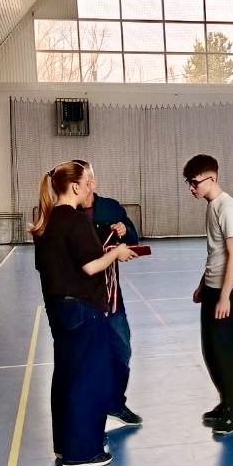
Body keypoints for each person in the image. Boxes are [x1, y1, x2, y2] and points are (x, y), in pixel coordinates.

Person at [30, 160, 136, 466]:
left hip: (58, 308)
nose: (92, 186)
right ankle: (82, 452)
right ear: (75, 186)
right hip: (82, 309)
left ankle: (65, 445)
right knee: (89, 380)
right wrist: (115, 253)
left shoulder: (45, 221)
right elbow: (91, 266)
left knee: (66, 375)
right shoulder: (75, 221)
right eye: (88, 182)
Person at [184, 154, 233, 437]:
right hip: (213, 288)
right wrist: (203, 284)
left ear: (212, 179)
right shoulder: (212, 206)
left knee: (228, 352)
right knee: (212, 351)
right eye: (189, 183)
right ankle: (226, 403)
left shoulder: (228, 207)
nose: (192, 188)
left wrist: (225, 297)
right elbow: (216, 253)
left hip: (228, 292)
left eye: (195, 182)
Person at [77, 161, 143, 428]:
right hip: (84, 301)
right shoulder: (69, 214)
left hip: (112, 298)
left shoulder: (110, 207)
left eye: (83, 183)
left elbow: (133, 240)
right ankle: (91, 415)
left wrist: (126, 231)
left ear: (92, 183)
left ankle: (116, 403)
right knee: (88, 359)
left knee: (121, 351)